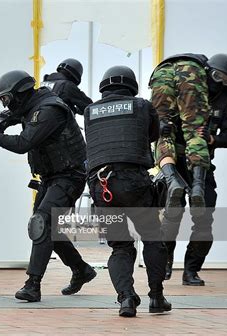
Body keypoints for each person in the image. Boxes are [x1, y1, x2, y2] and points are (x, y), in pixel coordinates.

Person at [0, 70, 96, 302]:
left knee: (41, 223)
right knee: (50, 230)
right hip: (51, 177)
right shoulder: (30, 106)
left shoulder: (48, 110)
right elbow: (11, 117)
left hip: (69, 176)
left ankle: (33, 284)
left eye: (7, 99)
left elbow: (24, 143)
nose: (6, 105)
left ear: (19, 94)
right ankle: (81, 269)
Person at [84, 66, 171, 317]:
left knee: (120, 247)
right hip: (134, 182)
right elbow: (153, 134)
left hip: (102, 186)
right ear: (131, 86)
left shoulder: (90, 111)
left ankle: (126, 300)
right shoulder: (142, 105)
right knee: (152, 238)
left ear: (104, 86)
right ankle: (156, 298)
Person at [162, 54, 227, 285]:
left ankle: (191, 271)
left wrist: (213, 140)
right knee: (171, 216)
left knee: (204, 218)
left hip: (202, 166)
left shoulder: (226, 100)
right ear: (206, 72)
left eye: (225, 79)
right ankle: (164, 264)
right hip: (176, 162)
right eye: (216, 76)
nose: (219, 82)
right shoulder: (185, 89)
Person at [150, 53, 212, 218]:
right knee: (195, 131)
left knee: (163, 133)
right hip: (192, 70)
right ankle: (198, 187)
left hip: (161, 72)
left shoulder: (168, 64)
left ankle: (172, 181)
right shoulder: (199, 64)